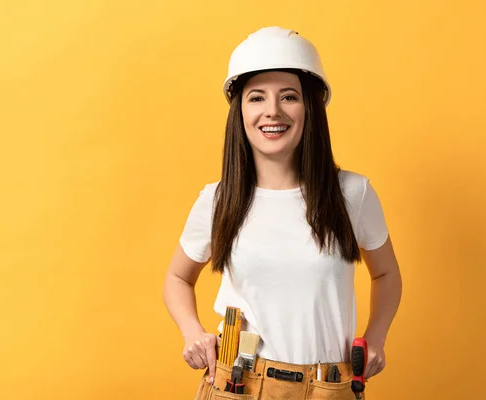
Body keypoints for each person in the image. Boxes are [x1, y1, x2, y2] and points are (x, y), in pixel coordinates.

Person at [163, 26, 402, 400]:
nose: (271, 111)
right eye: (256, 98)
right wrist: (193, 333)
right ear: (239, 110)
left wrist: (376, 337)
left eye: (288, 97)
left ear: (310, 107)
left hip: (330, 387)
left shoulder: (352, 194)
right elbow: (177, 277)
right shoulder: (218, 200)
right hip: (238, 384)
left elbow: (386, 272)